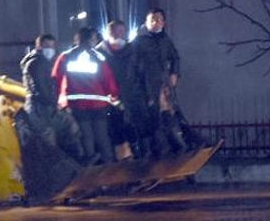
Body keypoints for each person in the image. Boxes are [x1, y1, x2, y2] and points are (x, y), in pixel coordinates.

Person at [52, 27, 119, 164]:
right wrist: (114, 95)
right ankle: (109, 166)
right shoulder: (99, 57)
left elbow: (56, 78)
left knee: (86, 136)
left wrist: (58, 99)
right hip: (98, 104)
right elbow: (108, 79)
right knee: (102, 136)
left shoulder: (65, 56)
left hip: (76, 104)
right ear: (91, 39)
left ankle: (91, 167)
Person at [128, 8, 186, 157]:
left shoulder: (164, 39)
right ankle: (161, 150)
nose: (155, 23)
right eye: (152, 19)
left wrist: (174, 74)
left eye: (159, 19)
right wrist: (139, 91)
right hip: (148, 88)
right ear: (146, 22)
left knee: (170, 116)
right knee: (155, 121)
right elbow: (133, 69)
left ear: (164, 22)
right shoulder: (139, 42)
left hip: (164, 86)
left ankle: (179, 146)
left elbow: (174, 57)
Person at [19, 34, 83, 161]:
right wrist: (56, 102)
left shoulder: (47, 62)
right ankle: (56, 165)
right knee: (47, 136)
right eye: (46, 46)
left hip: (47, 106)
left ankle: (70, 161)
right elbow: (42, 88)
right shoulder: (36, 63)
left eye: (52, 46)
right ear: (38, 46)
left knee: (68, 127)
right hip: (39, 107)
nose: (50, 49)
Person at [96, 20, 136, 160]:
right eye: (115, 31)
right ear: (109, 33)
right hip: (108, 98)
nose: (119, 35)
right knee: (114, 130)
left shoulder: (132, 51)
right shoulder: (99, 53)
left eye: (121, 31)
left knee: (132, 128)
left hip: (130, 96)